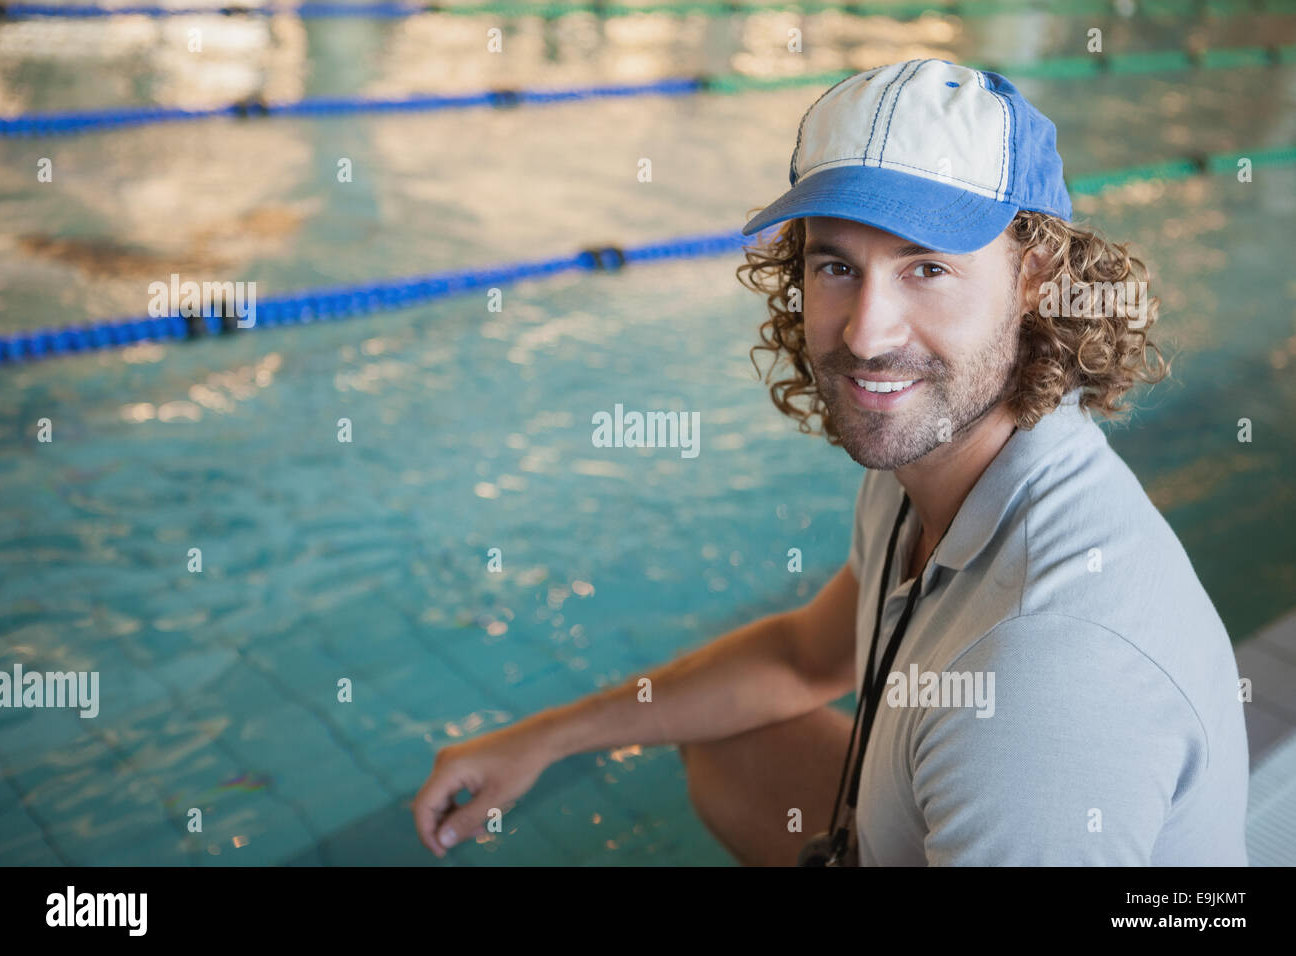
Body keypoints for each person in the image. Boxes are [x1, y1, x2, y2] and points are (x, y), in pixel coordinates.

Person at [413, 59, 1249, 865]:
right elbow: (805, 660)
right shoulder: (944, 466)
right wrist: (543, 739)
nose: (864, 334)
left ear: (1034, 276)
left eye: (926, 267)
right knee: (727, 746)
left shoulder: (1047, 680)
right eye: (837, 266)